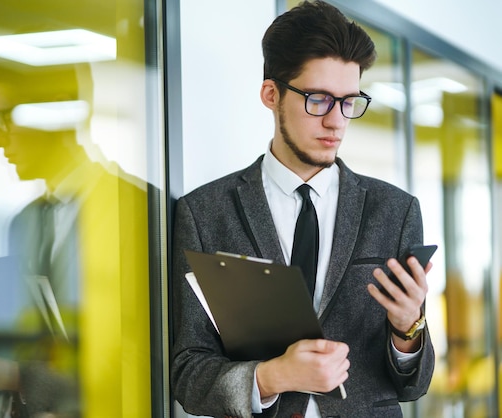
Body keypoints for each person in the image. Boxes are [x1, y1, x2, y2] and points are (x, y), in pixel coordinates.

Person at [171, 1, 435, 418]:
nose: (337, 122)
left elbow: (414, 385)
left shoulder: (395, 211)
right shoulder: (204, 214)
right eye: (319, 99)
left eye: (349, 101)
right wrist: (273, 377)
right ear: (271, 95)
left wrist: (408, 328)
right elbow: (189, 372)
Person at [0, 53, 151, 417]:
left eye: (5, 120)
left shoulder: (141, 213)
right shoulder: (23, 223)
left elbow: (139, 368)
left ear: (57, 113)